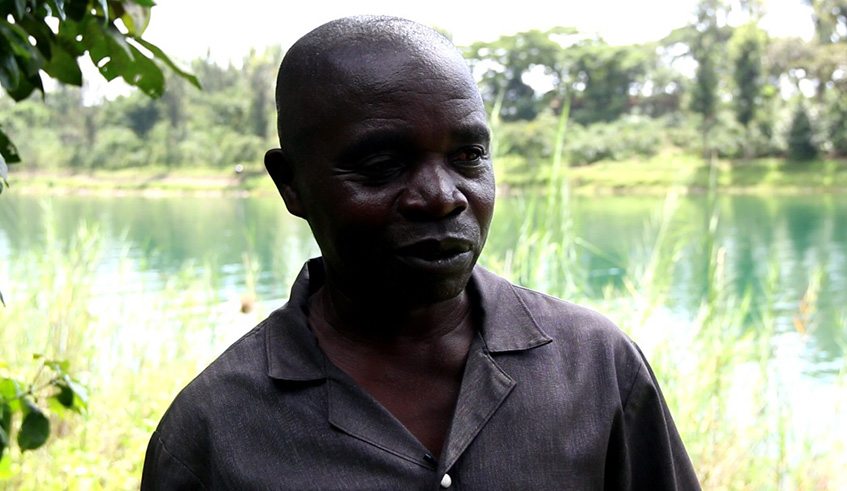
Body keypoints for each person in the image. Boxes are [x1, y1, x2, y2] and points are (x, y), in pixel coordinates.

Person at [141, 15, 699, 490]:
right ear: (291, 185)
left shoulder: (597, 368)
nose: (441, 197)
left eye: (468, 155)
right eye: (382, 165)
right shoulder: (212, 432)